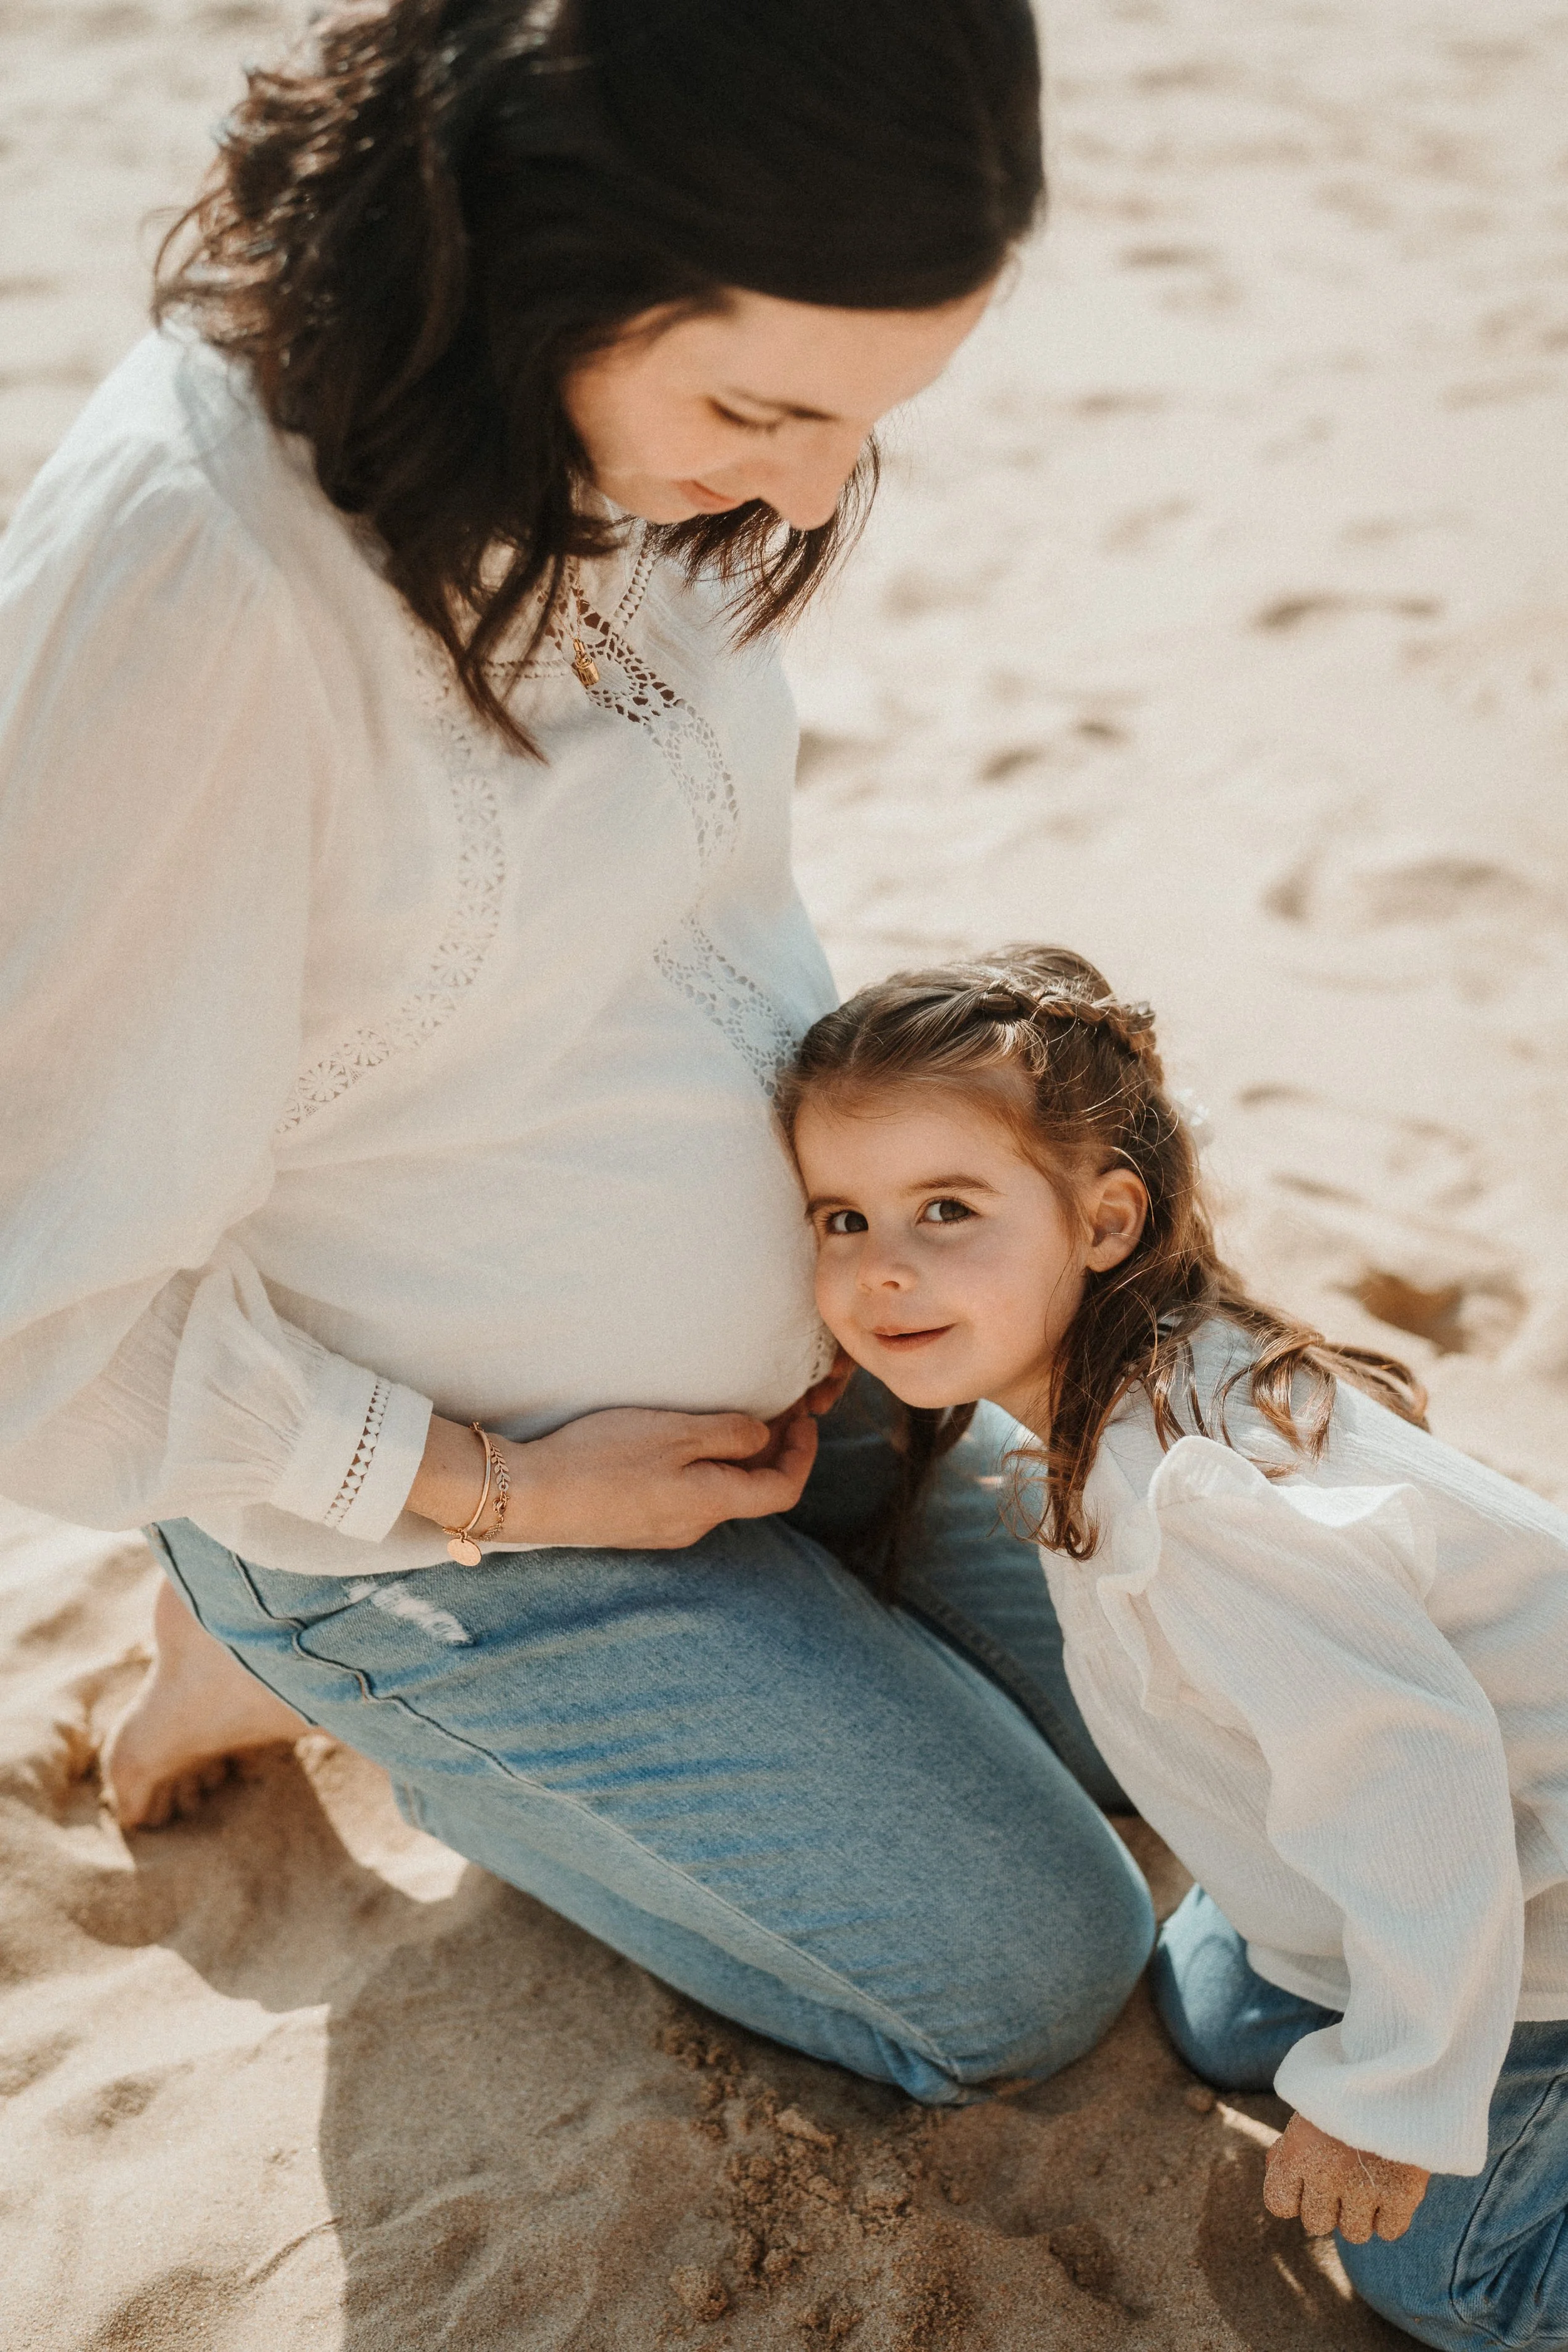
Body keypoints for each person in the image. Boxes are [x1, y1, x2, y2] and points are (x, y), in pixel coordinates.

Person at [0, 0, 1155, 2102]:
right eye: (762, 403)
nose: (808, 488)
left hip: (824, 1376)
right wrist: (498, 1485)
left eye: (867, 418)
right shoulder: (202, 586)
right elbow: (25, 1284)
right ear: (538, 231)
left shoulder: (589, 425)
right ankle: (270, 1632)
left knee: (1206, 1714)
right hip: (448, 1499)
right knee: (1032, 1964)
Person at [781, 945, 1568, 2351]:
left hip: (1528, 1913)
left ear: (1101, 1221)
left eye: (945, 1209)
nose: (880, 1267)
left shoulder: (1191, 1503)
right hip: (1422, 1875)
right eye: (838, 1216)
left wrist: (1392, 2099)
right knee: (1207, 2010)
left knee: (1442, 2275)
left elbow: (1421, 1782)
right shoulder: (1121, 1380)